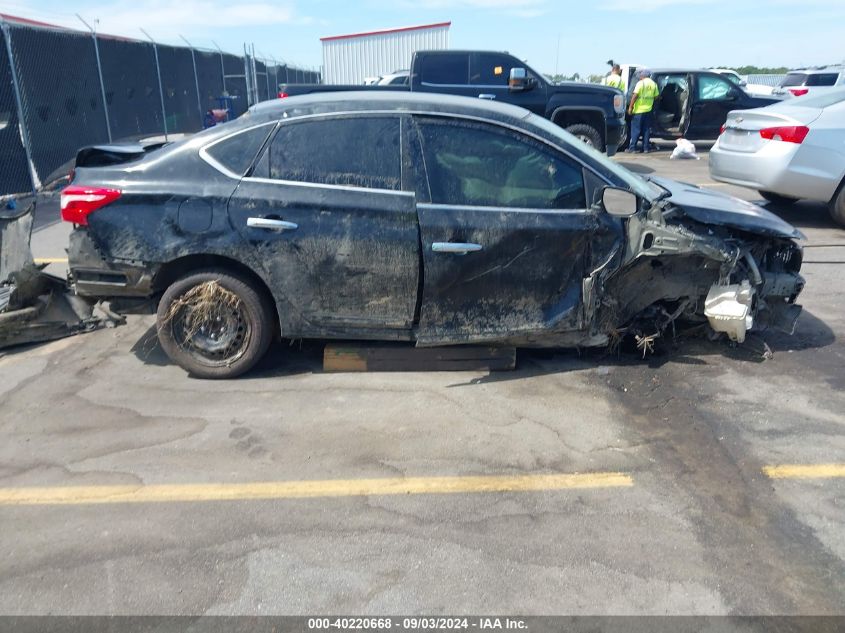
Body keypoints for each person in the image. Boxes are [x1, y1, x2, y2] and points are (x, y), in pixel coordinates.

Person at [627, 69, 660, 153]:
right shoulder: (654, 84)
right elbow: (656, 97)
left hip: (638, 110)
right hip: (648, 110)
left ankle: (632, 148)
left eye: (641, 75)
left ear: (643, 76)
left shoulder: (640, 83)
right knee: (646, 130)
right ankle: (645, 148)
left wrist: (630, 107)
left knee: (636, 130)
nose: (640, 77)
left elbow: (635, 95)